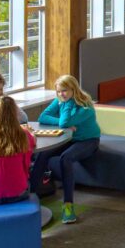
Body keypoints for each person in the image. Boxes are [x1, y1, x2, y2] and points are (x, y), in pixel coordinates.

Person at [31, 75, 101, 224]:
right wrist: (63, 122)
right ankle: (30, 195)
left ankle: (68, 205)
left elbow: (64, 122)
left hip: (88, 140)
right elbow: (43, 117)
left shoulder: (85, 106)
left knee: (66, 158)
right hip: (69, 139)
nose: (61, 94)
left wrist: (67, 106)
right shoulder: (59, 100)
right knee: (42, 154)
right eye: (58, 92)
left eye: (64, 91)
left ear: (73, 89)